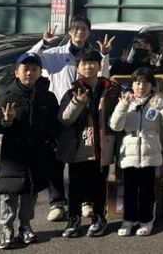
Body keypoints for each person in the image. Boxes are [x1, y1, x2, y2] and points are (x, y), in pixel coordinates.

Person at [29, 15, 114, 222]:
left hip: (87, 115)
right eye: (75, 29)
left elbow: (104, 76)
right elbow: (31, 58)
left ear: (88, 32)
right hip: (61, 114)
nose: (79, 33)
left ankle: (86, 201)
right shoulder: (55, 53)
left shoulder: (93, 55)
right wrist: (45, 42)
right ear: (69, 32)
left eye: (83, 29)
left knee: (85, 162)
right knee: (56, 161)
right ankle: (57, 203)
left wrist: (104, 55)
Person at [0, 52, 59, 250]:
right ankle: (7, 229)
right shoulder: (8, 95)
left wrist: (51, 142)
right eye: (25, 69)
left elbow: (54, 125)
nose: (29, 73)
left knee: (31, 192)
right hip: (13, 155)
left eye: (34, 69)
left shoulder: (47, 97)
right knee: (9, 193)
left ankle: (25, 226)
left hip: (37, 154)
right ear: (17, 72)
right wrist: (7, 121)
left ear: (40, 72)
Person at [56, 49, 121, 238]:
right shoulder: (72, 91)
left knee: (99, 185)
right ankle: (74, 219)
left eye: (93, 63)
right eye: (84, 63)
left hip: (103, 146)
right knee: (76, 185)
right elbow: (64, 119)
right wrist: (77, 102)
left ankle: (99, 219)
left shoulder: (112, 89)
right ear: (78, 67)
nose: (88, 67)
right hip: (79, 147)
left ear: (99, 66)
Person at [109, 67, 163, 237]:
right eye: (137, 83)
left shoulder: (157, 99)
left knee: (147, 188)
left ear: (151, 85)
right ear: (132, 84)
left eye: (146, 83)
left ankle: (146, 220)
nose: (141, 86)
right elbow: (115, 126)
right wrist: (122, 106)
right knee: (130, 189)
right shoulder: (126, 100)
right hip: (129, 151)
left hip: (149, 150)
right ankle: (128, 220)